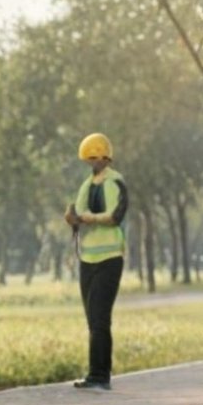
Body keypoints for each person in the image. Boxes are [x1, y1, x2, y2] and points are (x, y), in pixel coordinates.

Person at [65, 133, 129, 391]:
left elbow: (115, 216)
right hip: (87, 259)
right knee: (92, 319)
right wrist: (72, 218)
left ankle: (101, 377)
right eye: (88, 159)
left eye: (96, 158)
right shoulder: (86, 185)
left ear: (106, 156)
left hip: (109, 259)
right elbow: (79, 213)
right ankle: (95, 374)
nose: (92, 163)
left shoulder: (116, 182)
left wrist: (87, 218)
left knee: (101, 317)